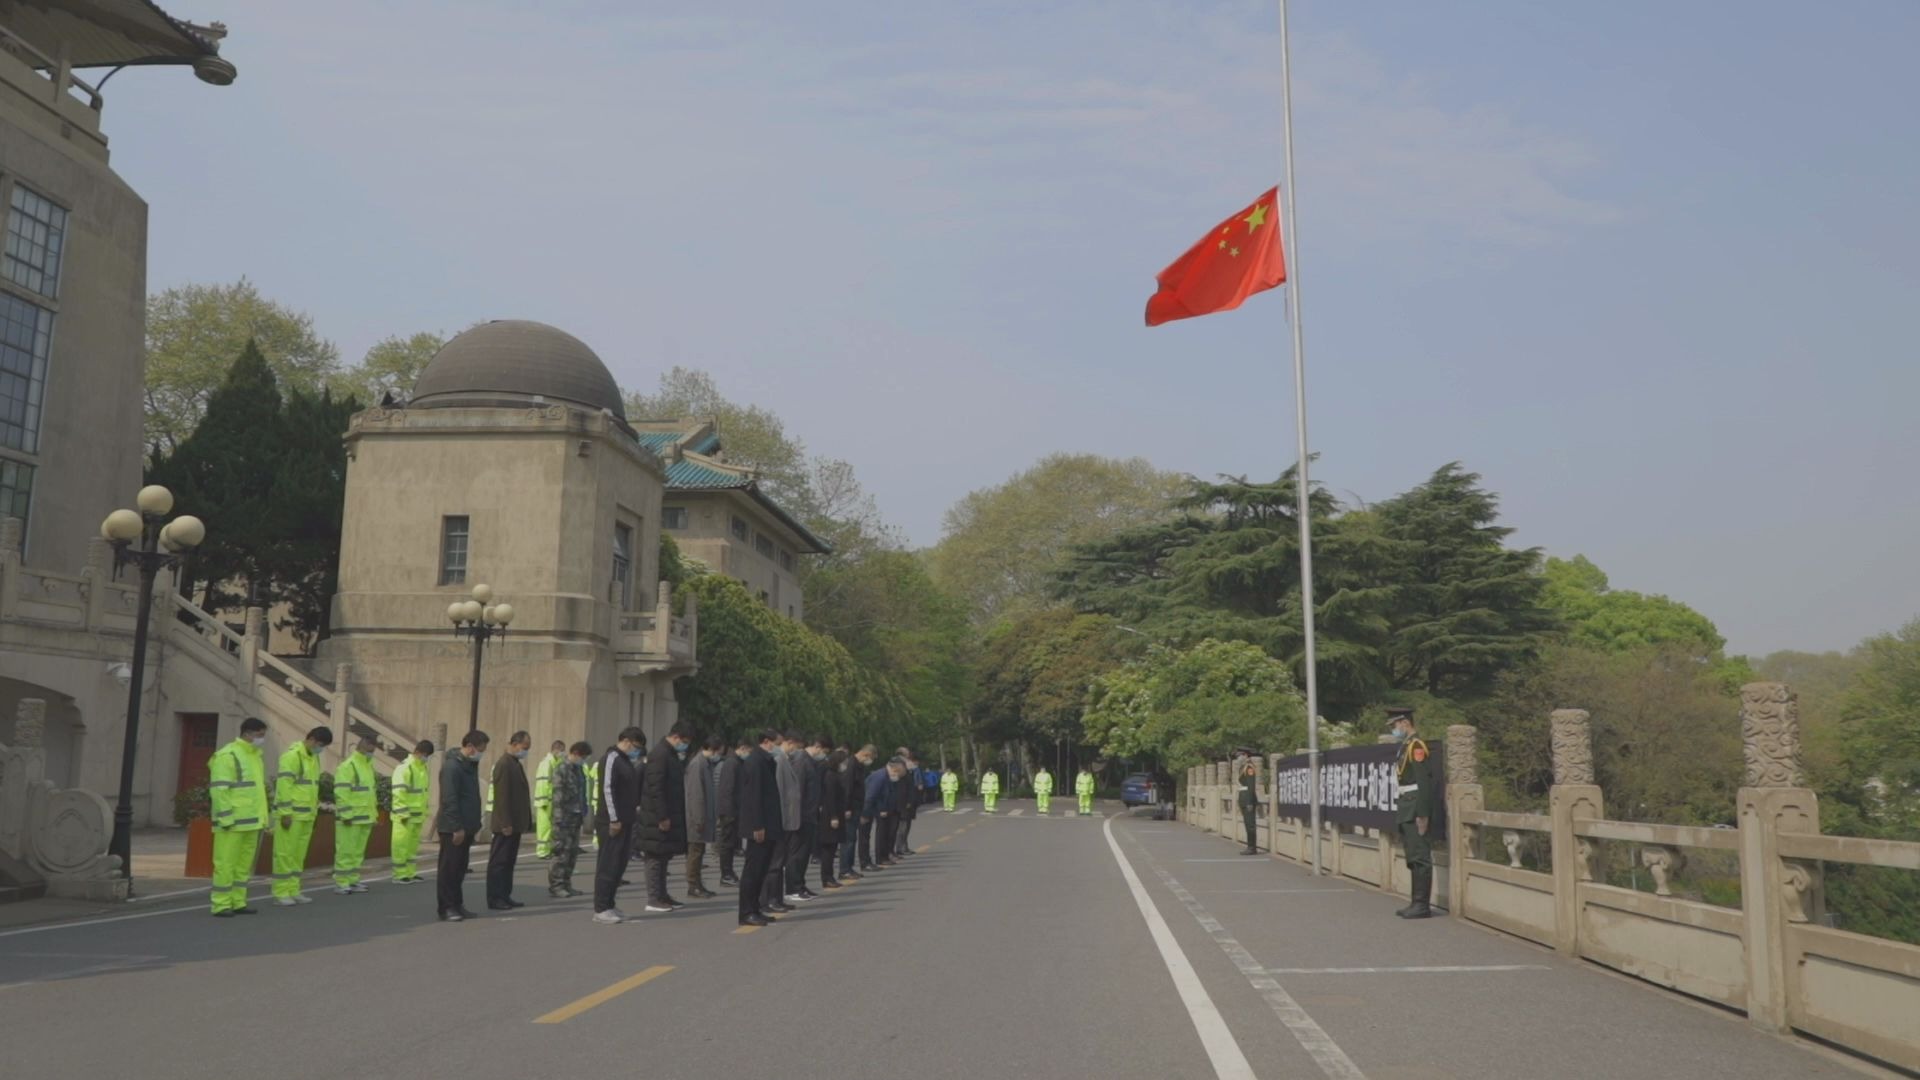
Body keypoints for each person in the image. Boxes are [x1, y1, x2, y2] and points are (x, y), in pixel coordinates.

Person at [208, 717, 270, 917]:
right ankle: (221, 904)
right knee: (225, 864)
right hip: (232, 823)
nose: (262, 739)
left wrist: (263, 820)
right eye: (260, 735)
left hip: (251, 822)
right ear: (248, 733)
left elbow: (256, 792)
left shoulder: (254, 755)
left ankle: (238, 901)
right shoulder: (228, 755)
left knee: (243, 867)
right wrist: (225, 818)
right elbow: (219, 790)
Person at [270, 726, 330, 906]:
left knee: (298, 855)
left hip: (306, 815)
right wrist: (285, 813)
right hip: (292, 815)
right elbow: (284, 786)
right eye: (320, 744)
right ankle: (281, 892)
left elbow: (311, 787)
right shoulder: (292, 757)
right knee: (284, 854)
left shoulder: (313, 758)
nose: (321, 748)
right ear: (311, 739)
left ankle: (294, 889)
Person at [593, 727, 645, 924]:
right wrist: (614, 819)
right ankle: (600, 908)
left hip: (626, 820)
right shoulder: (611, 758)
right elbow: (608, 790)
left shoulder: (626, 761)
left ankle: (610, 904)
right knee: (608, 864)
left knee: (619, 865)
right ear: (626, 741)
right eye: (635, 746)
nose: (636, 751)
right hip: (612, 822)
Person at [1389, 708, 1437, 920]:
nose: (1393, 729)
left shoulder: (1416, 746)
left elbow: (1423, 782)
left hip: (1415, 806)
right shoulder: (1405, 746)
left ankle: (1422, 905)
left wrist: (1423, 814)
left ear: (1405, 723)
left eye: (1394, 725)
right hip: (1406, 805)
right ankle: (1415, 902)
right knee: (1412, 856)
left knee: (1420, 857)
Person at [437, 730, 489, 922]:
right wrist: (456, 827)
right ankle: (446, 907)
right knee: (449, 869)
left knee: (459, 868)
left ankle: (457, 904)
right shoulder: (452, 767)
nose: (482, 753)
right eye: (480, 749)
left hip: (467, 826)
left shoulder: (469, 766)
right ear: (470, 746)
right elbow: (449, 799)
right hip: (454, 828)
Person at [640, 722, 692, 913]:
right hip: (656, 816)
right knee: (654, 857)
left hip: (667, 813)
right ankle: (653, 898)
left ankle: (662, 895)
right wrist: (662, 815)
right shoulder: (660, 755)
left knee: (663, 857)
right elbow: (656, 787)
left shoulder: (669, 754)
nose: (684, 746)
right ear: (676, 737)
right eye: (684, 742)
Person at [736, 730, 783, 927]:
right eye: (777, 743)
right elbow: (753, 796)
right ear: (767, 742)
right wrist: (757, 825)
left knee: (762, 869)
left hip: (769, 824)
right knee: (753, 871)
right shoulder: (755, 761)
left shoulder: (767, 761)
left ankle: (755, 908)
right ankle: (746, 912)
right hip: (759, 826)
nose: (779, 747)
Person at [332, 735, 379, 895]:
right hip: (350, 818)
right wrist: (346, 814)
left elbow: (369, 793)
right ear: (362, 747)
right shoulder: (348, 766)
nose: (371, 753)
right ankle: (341, 882)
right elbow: (341, 792)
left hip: (364, 817)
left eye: (373, 751)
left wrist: (373, 815)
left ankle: (352, 879)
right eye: (369, 750)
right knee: (346, 850)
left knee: (358, 852)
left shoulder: (367, 766)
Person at [764, 731, 804, 910]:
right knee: (776, 863)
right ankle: (771, 899)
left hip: (788, 820)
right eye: (796, 746)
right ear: (789, 743)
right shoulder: (779, 761)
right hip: (782, 820)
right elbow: (779, 792)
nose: (797, 750)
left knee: (780, 862)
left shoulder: (784, 759)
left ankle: (777, 899)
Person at [548, 741, 592, 898]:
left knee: (572, 852)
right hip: (563, 817)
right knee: (561, 852)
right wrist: (559, 820)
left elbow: (582, 791)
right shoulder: (562, 769)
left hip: (576, 816)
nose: (583, 760)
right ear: (574, 753)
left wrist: (584, 810)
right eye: (582, 756)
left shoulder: (579, 769)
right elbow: (557, 796)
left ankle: (567, 883)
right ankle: (556, 885)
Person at [783, 732, 821, 903]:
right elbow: (795, 792)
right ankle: (792, 888)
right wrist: (795, 817)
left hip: (809, 815)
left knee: (804, 854)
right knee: (796, 854)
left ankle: (800, 884)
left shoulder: (809, 762)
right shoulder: (801, 761)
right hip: (800, 816)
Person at [390, 740, 434, 885]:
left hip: (417, 815)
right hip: (405, 815)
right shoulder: (405, 767)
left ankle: (410, 872)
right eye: (426, 755)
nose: (426, 758)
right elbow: (398, 792)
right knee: (401, 845)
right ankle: (399, 874)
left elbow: (422, 793)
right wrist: (402, 812)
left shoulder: (422, 768)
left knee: (412, 847)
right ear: (419, 752)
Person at [685, 735, 723, 899]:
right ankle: (693, 885)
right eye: (719, 752)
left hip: (703, 817)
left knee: (699, 853)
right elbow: (696, 795)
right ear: (712, 749)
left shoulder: (706, 764)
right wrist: (699, 819)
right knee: (695, 853)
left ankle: (698, 884)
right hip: (696, 819)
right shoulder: (698, 764)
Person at [818, 746, 848, 890]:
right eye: (844, 762)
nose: (845, 765)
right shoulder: (830, 776)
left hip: (836, 815)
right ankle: (827, 878)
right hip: (830, 817)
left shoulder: (836, 775)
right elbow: (830, 798)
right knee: (828, 851)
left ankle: (830, 877)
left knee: (832, 848)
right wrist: (834, 817)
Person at [868, 757, 906, 866]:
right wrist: (880, 809)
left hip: (887, 810)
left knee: (886, 834)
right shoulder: (880, 776)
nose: (898, 776)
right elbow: (872, 795)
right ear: (895, 769)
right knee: (881, 834)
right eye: (898, 773)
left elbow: (889, 794)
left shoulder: (889, 776)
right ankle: (880, 858)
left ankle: (885, 856)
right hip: (880, 810)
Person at [845, 745, 874, 877]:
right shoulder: (851, 764)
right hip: (851, 806)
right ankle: (845, 869)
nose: (870, 761)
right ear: (865, 754)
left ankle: (849, 868)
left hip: (857, 806)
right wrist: (847, 807)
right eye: (870, 758)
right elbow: (848, 788)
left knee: (852, 839)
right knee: (849, 839)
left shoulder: (859, 765)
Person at [534, 740, 564, 859]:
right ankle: (542, 851)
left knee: (550, 827)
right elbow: (543, 782)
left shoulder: (555, 762)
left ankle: (548, 849)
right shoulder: (546, 763)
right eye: (561, 750)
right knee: (544, 826)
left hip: (551, 800)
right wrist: (543, 801)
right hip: (545, 801)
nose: (562, 753)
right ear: (555, 750)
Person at [893, 749, 921, 857]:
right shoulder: (898, 768)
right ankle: (899, 848)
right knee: (902, 827)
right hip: (903, 803)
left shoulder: (908, 770)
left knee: (906, 826)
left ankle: (904, 846)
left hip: (909, 802)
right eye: (907, 756)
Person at [1237, 758, 1260, 855]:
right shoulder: (1243, 768)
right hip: (1244, 800)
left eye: (1241, 756)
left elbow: (1251, 787)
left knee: (1250, 825)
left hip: (1248, 801)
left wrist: (1250, 802)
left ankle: (1252, 847)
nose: (1239, 758)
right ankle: (1249, 846)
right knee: (1247, 824)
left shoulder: (1249, 768)